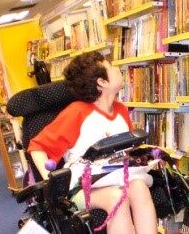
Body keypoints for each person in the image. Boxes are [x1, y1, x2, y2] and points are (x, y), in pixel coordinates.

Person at [27, 51, 157, 233]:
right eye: (111, 66)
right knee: (117, 197)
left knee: (140, 187)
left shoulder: (121, 111)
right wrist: (52, 183)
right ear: (101, 82)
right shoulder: (77, 112)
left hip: (117, 175)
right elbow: (37, 146)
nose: (117, 68)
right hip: (81, 187)